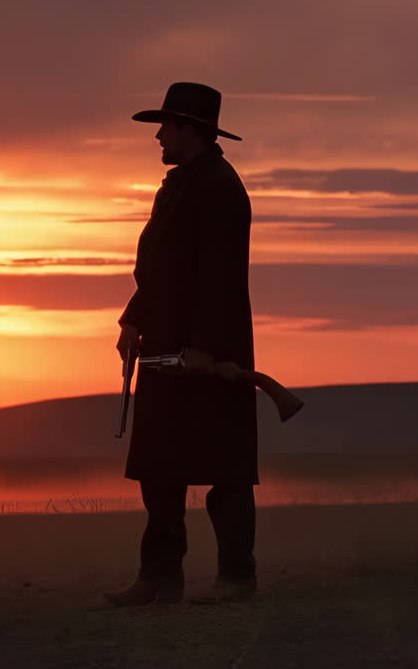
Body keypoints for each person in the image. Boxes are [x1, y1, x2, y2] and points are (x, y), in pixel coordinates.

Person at [106, 82, 258, 605]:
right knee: (159, 467)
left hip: (208, 352)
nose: (158, 136)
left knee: (226, 467)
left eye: (165, 126)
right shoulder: (177, 186)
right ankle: (159, 577)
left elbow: (220, 276)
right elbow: (159, 271)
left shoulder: (220, 188)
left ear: (189, 129)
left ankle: (237, 577)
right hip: (166, 347)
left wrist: (206, 347)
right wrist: (133, 321)